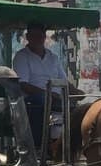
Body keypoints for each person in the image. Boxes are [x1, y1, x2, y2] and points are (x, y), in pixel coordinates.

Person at [12, 22, 79, 151]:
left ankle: (66, 145)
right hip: (32, 99)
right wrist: (48, 94)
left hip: (55, 97)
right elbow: (23, 84)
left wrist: (77, 92)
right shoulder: (22, 56)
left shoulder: (53, 57)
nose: (37, 39)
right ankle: (38, 146)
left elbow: (64, 81)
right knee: (43, 100)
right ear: (28, 37)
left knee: (75, 108)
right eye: (34, 36)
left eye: (40, 36)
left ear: (44, 37)